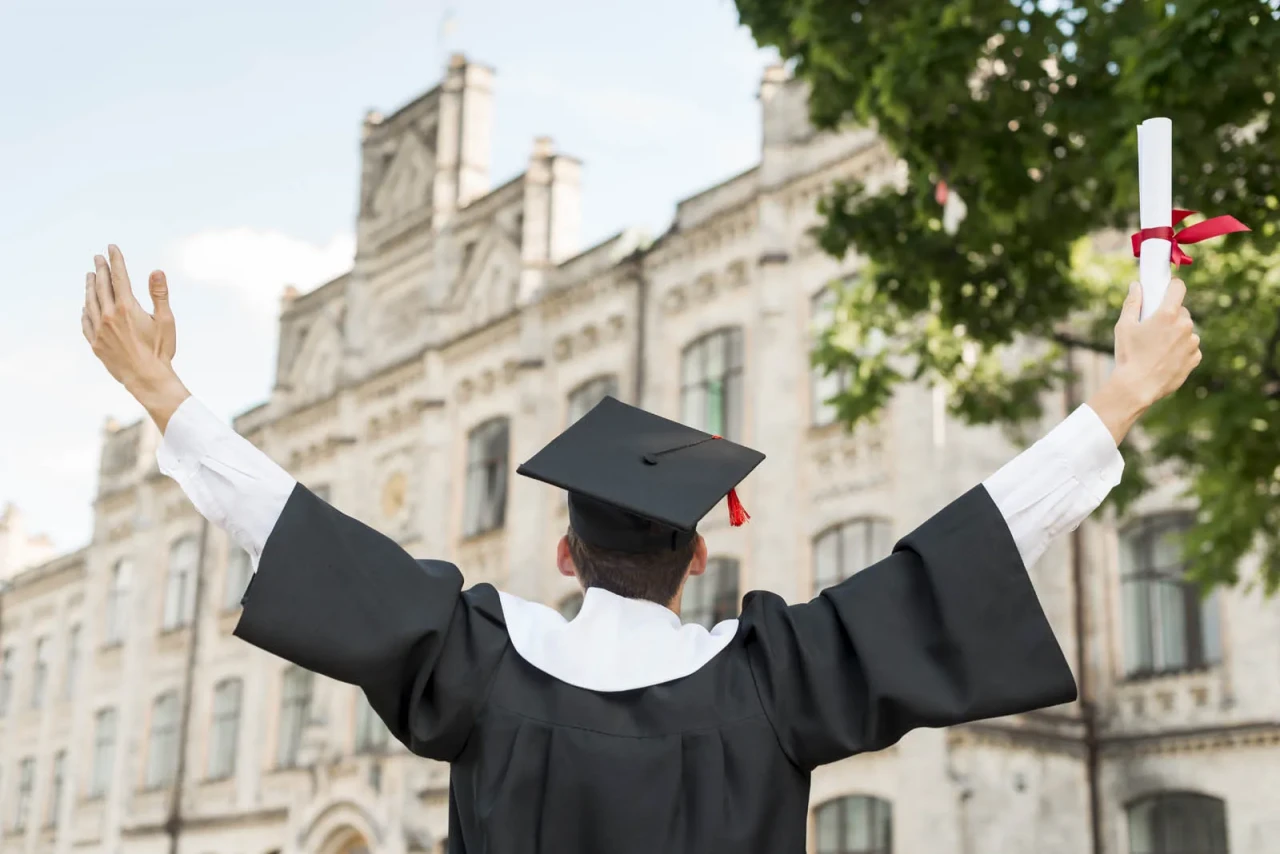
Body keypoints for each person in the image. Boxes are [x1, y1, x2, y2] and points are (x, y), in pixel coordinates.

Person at [80, 245, 1201, 854]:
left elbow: (295, 528)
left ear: (564, 556)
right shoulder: (777, 680)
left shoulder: (476, 664)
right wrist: (1119, 393)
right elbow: (961, 551)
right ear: (698, 555)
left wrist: (163, 392)